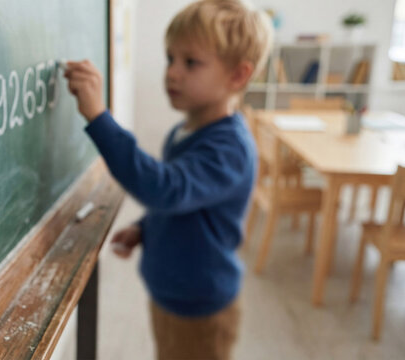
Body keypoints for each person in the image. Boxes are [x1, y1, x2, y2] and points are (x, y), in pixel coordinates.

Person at [63, 0, 272, 358]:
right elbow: (184, 200)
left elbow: (165, 188)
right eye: (170, 58)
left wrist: (99, 118)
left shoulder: (229, 148)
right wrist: (146, 227)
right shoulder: (185, 130)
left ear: (237, 75)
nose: (172, 72)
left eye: (190, 62)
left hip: (201, 309)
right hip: (172, 295)